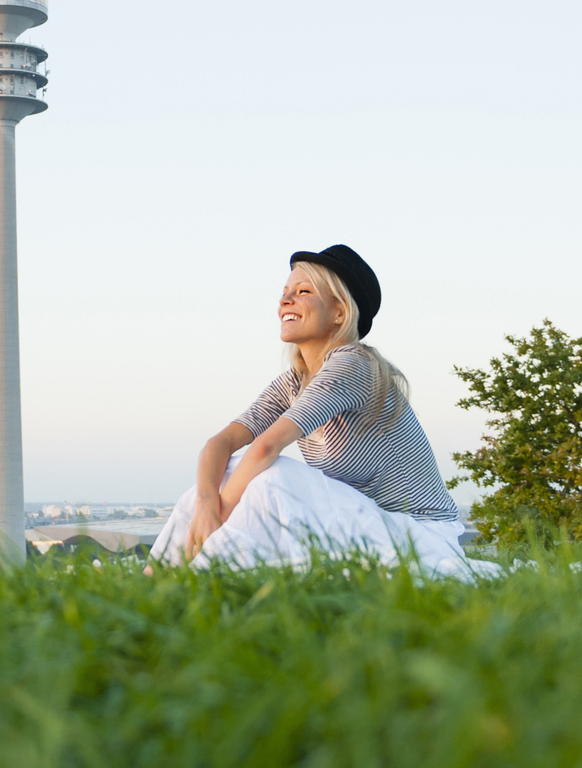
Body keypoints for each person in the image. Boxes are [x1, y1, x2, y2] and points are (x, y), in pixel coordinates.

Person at [148, 244, 493, 578]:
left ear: (340, 312)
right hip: (365, 526)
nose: (286, 300)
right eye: (285, 292)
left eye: (303, 291)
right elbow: (219, 444)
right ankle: (154, 578)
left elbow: (266, 448)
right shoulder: (295, 382)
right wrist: (206, 503)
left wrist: (216, 518)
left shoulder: (355, 364)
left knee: (274, 477)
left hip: (421, 533)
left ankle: (195, 572)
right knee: (226, 473)